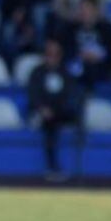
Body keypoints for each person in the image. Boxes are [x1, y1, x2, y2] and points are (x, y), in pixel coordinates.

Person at [28, 38, 83, 182]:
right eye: (49, 54)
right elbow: (33, 95)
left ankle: (80, 169)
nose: (52, 57)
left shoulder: (65, 73)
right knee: (50, 125)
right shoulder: (37, 72)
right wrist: (42, 108)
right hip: (41, 113)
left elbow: (69, 95)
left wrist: (59, 110)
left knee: (77, 118)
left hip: (59, 112)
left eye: (56, 54)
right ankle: (52, 167)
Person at [61, 0, 111, 90]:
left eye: (88, 9)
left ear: (95, 10)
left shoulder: (107, 29)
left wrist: (98, 55)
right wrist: (80, 55)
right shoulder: (70, 29)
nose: (84, 12)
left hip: (100, 66)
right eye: (82, 9)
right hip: (78, 67)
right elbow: (67, 49)